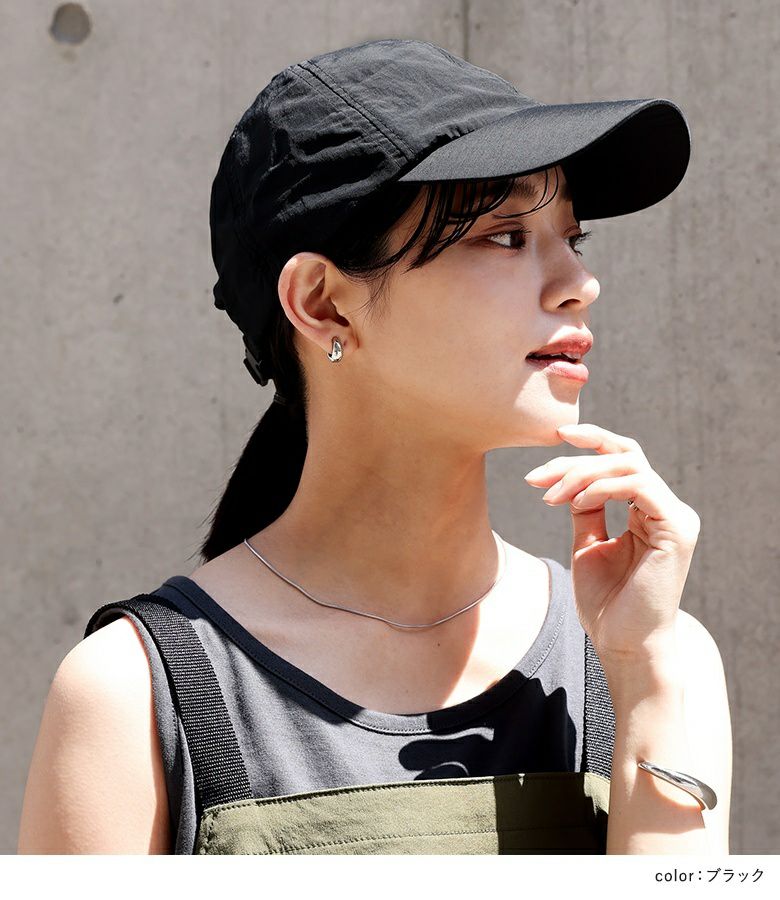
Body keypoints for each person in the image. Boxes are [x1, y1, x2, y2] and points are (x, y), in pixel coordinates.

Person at [18, 38, 731, 855]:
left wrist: (645, 676)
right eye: (505, 235)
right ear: (323, 303)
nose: (580, 283)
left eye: (574, 237)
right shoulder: (135, 695)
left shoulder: (649, 652)